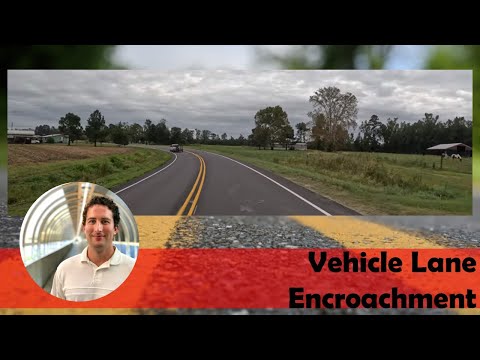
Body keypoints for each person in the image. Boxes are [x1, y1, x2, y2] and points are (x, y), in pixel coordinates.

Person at [50, 195, 136, 301]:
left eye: (105, 221)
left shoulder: (133, 270)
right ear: (84, 228)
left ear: (115, 229)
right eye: (92, 221)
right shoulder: (64, 269)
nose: (98, 228)